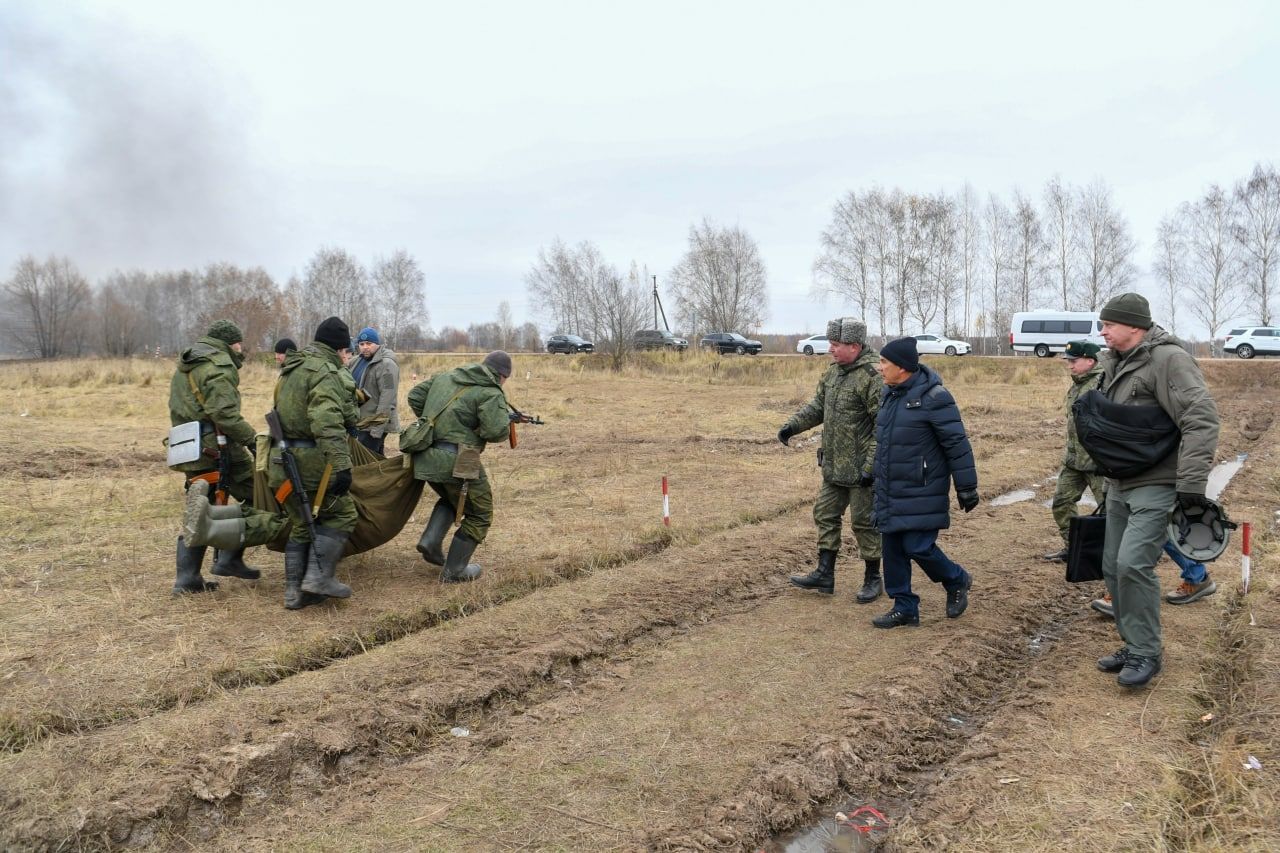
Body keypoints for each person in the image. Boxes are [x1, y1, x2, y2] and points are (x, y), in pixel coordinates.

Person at [1093, 293, 1219, 688]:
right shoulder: (1113, 362)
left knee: (1133, 564)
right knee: (1113, 566)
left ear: (1135, 325)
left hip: (1158, 482)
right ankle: (1133, 644)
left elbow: (1202, 420)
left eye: (1110, 324)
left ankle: (1147, 652)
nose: (1104, 330)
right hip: (1119, 482)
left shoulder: (1168, 360)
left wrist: (1191, 489)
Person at [869, 336, 979, 628]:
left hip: (921, 486)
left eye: (884, 362)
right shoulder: (889, 395)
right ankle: (904, 606)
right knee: (892, 547)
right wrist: (871, 470)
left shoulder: (935, 397)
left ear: (902, 367)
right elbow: (883, 442)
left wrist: (966, 486)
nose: (879, 368)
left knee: (918, 546)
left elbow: (957, 443)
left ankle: (956, 579)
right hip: (891, 486)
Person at [168, 320, 285, 594]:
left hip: (188, 444)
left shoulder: (188, 362)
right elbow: (225, 413)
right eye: (240, 344)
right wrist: (253, 441)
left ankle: (189, 578)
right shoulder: (219, 364)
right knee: (260, 493)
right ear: (232, 343)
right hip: (217, 447)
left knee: (200, 506)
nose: (241, 349)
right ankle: (229, 558)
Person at [778, 317, 883, 601]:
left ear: (855, 345)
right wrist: (792, 426)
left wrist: (871, 467)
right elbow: (818, 406)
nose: (831, 349)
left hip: (862, 470)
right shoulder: (833, 373)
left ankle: (873, 577)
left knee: (863, 523)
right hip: (834, 466)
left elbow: (882, 428)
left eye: (836, 345)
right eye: (831, 344)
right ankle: (825, 574)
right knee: (824, 514)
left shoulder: (873, 376)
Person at [267, 316, 360, 608]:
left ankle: (295, 593)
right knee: (343, 514)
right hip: (310, 461)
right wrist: (341, 464)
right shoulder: (324, 371)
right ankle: (319, 578)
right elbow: (326, 421)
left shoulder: (291, 367)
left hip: (280, 458)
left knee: (299, 522)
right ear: (340, 348)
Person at [407, 350, 514, 583]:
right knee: (480, 513)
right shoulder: (491, 391)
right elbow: (495, 432)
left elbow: (415, 396)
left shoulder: (448, 376)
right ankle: (454, 570)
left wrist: (435, 423)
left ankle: (431, 542)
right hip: (457, 461)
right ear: (503, 375)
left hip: (425, 455)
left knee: (452, 498)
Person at [1044, 340, 1107, 561]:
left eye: (1073, 361)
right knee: (1061, 503)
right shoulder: (1078, 383)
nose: (1069, 365)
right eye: (1068, 361)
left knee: (1112, 513)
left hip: (1099, 463)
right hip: (1073, 460)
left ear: (1090, 361)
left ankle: (1115, 556)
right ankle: (1074, 549)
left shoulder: (1104, 383)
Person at [347, 327, 400, 455]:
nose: (365, 347)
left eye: (369, 343)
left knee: (366, 463)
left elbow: (388, 397)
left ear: (377, 344)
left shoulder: (387, 365)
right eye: (362, 344)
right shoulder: (356, 361)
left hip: (373, 424)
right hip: (360, 421)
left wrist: (377, 429)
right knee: (374, 461)